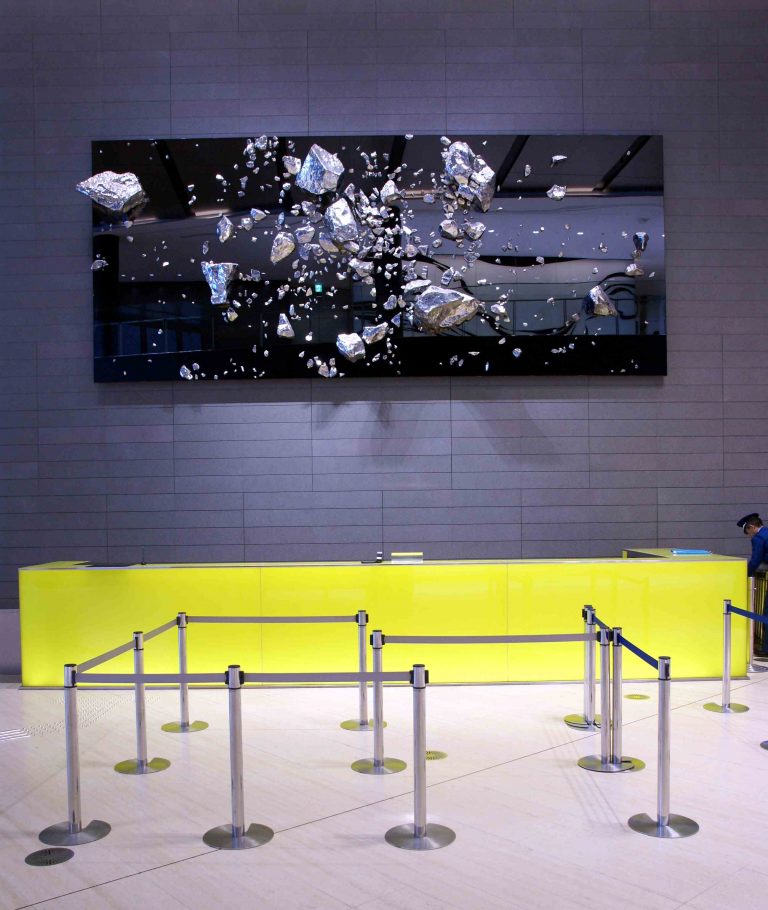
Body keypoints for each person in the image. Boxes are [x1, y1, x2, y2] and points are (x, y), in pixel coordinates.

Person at [737, 513, 768, 658]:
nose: (749, 535)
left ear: (752, 527)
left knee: (767, 611)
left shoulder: (758, 538)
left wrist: (746, 575)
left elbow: (755, 560)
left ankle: (766, 648)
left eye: (748, 531)